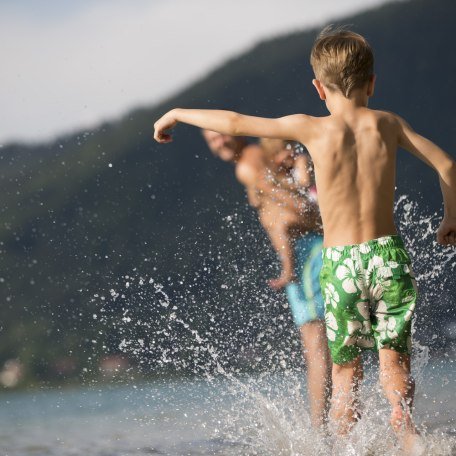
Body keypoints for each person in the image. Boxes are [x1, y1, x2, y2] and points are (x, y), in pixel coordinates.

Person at [154, 28, 456, 453]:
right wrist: (450, 218)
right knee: (394, 361)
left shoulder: (309, 129)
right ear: (372, 83)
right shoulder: (388, 124)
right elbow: (447, 165)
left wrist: (178, 113)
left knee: (346, 374)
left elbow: (237, 123)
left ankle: (337, 447)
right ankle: (410, 438)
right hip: (387, 257)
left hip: (341, 265)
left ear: (318, 88)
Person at [202, 130, 331, 427]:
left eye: (220, 135)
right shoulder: (260, 156)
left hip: (306, 253)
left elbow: (293, 207)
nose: (218, 143)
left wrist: (291, 261)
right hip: (309, 248)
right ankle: (341, 423)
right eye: (211, 141)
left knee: (316, 347)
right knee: (329, 343)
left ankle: (321, 433)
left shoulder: (247, 166)